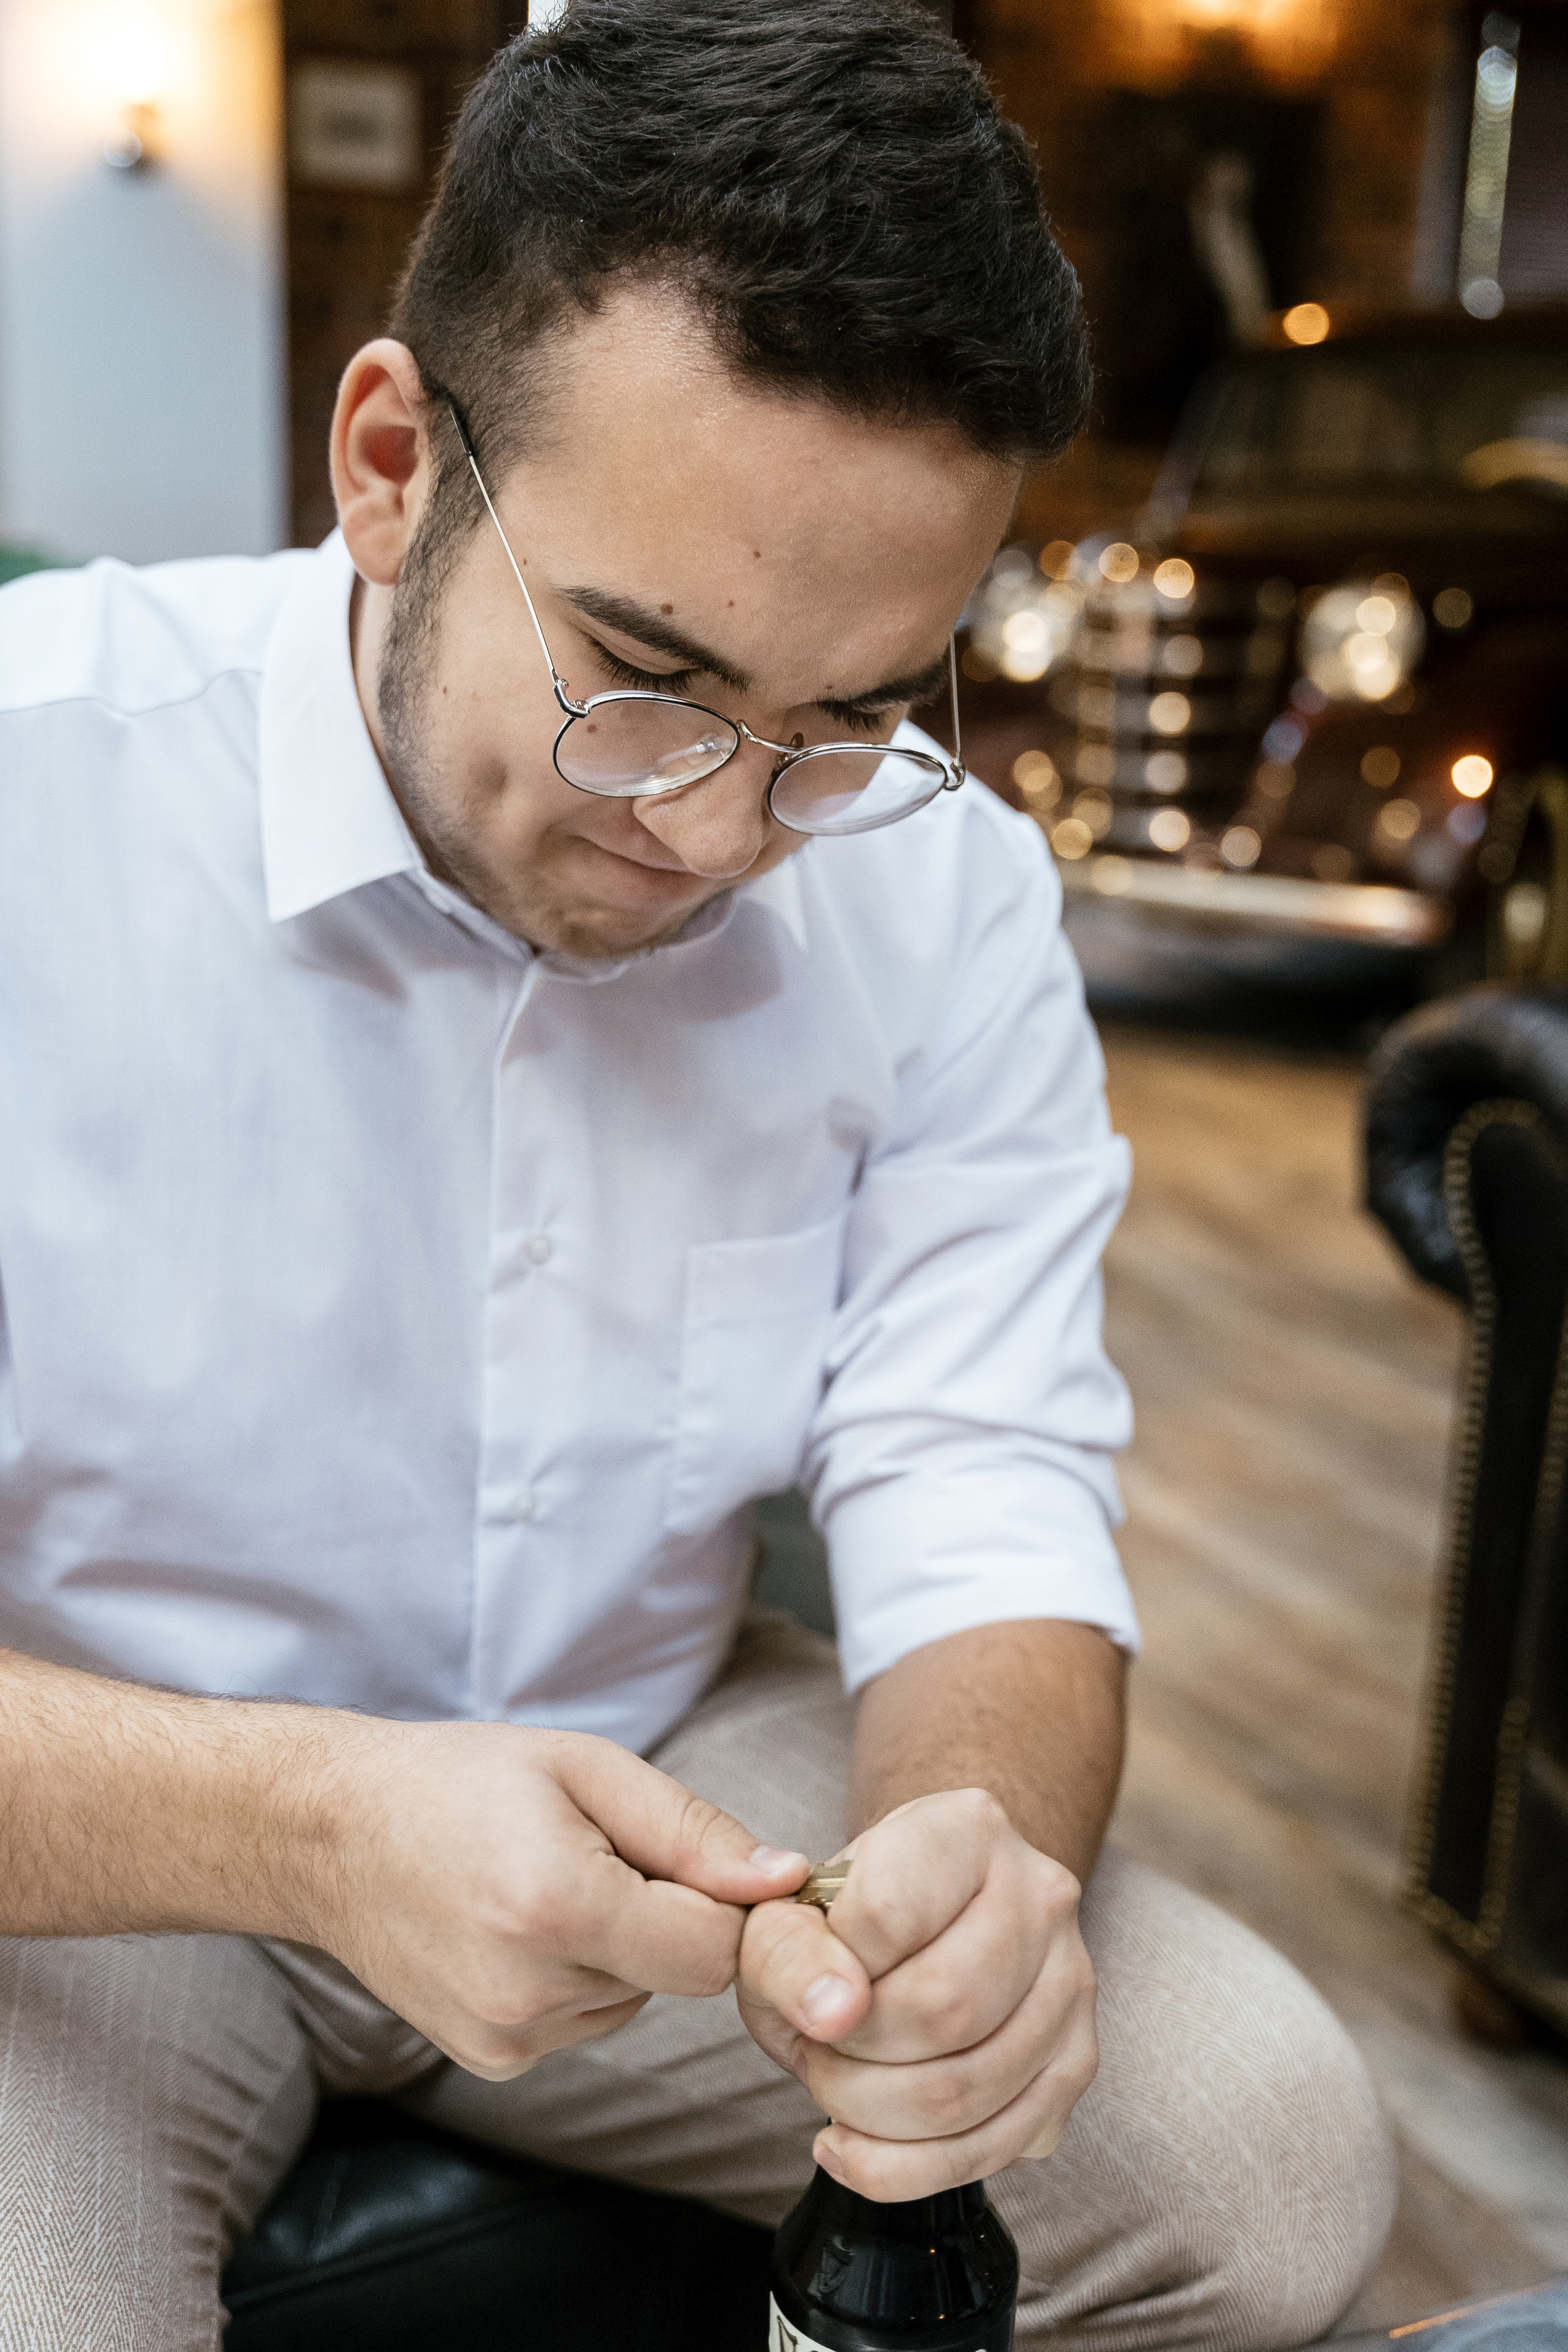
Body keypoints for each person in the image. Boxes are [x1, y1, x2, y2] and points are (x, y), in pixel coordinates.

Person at [0, 2, 1394, 2344]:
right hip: (99, 1827)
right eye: (642, 674)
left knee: (1264, 2168)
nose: (723, 833)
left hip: (673, 1777)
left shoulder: (938, 892)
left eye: (848, 715)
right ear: (385, 463)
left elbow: (983, 1471)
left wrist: (985, 1866)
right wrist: (320, 1825)